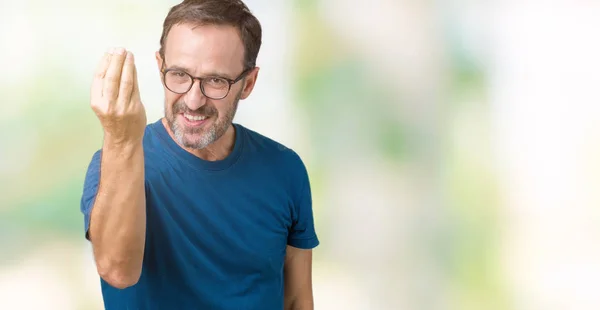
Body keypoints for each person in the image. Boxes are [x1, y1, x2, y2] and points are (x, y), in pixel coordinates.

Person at [79, 0, 319, 309]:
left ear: (248, 83)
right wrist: (121, 139)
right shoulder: (114, 163)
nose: (193, 100)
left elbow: (298, 299)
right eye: (179, 74)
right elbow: (117, 270)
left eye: (216, 80)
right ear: (159, 65)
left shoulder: (286, 169)